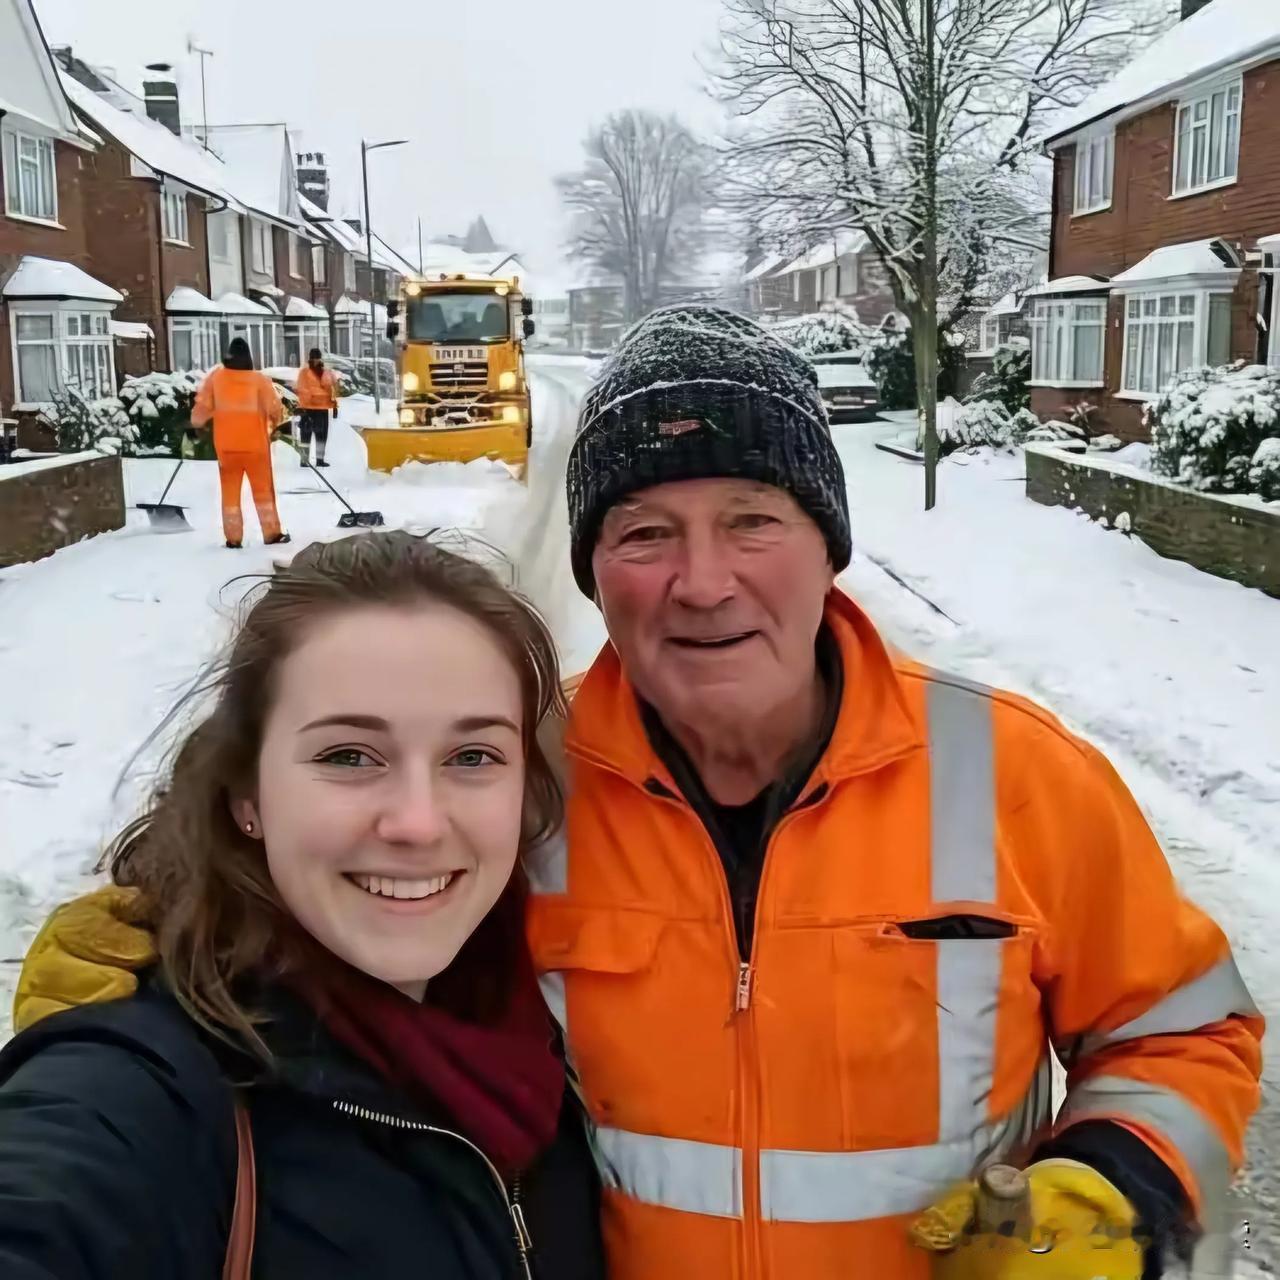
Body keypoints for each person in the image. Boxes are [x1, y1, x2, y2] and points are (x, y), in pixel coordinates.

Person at [14, 308, 1264, 1280]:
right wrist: (164, 967)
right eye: (643, 533)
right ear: (594, 572)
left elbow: (1184, 1026)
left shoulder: (1016, 774)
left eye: (750, 519)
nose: (702, 580)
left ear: (826, 544)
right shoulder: (513, 775)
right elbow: (345, 936)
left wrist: (1117, 1179)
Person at [0, 533, 603, 1280]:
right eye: (348, 756)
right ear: (248, 792)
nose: (417, 822)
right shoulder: (150, 1095)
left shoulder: (551, 1026)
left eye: (471, 757)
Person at [192, 337, 291, 549]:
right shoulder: (259, 381)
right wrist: (275, 426)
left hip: (227, 449)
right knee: (263, 493)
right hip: (256, 448)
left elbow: (201, 409)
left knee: (230, 495)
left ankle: (233, 538)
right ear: (248, 358)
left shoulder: (216, 379)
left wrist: (196, 425)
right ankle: (271, 533)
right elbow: (275, 409)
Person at [295, 347, 338, 468]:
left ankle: (315, 460)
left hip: (317, 408)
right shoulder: (307, 372)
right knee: (314, 436)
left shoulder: (325, 372)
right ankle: (309, 460)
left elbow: (333, 387)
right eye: (314, 358)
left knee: (314, 436)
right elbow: (303, 389)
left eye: (317, 358)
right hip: (311, 408)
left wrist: (333, 403)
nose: (315, 360)